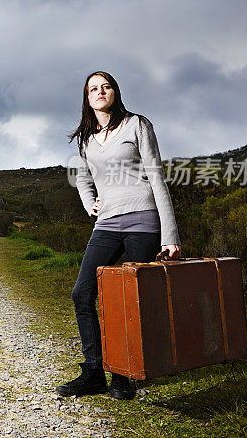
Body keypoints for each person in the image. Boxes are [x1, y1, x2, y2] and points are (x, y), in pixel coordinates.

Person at [59, 70, 182, 400]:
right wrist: (90, 204)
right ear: (87, 98)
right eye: (93, 89)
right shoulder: (86, 139)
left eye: (106, 86)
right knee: (82, 295)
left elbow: (157, 177)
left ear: (115, 91)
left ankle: (123, 376)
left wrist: (169, 235)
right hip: (107, 223)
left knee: (129, 299)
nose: (100, 92)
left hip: (143, 220)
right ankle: (94, 371)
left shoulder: (137, 125)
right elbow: (82, 178)